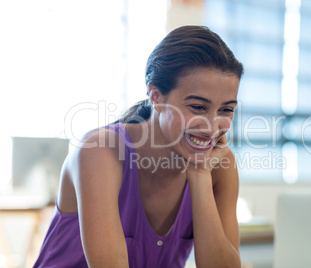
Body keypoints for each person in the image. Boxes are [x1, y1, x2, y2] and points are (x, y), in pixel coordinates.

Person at [34, 25, 244, 268]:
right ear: (156, 97)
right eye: (197, 107)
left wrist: (199, 174)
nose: (211, 128)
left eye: (226, 110)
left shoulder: (218, 165)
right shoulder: (99, 151)